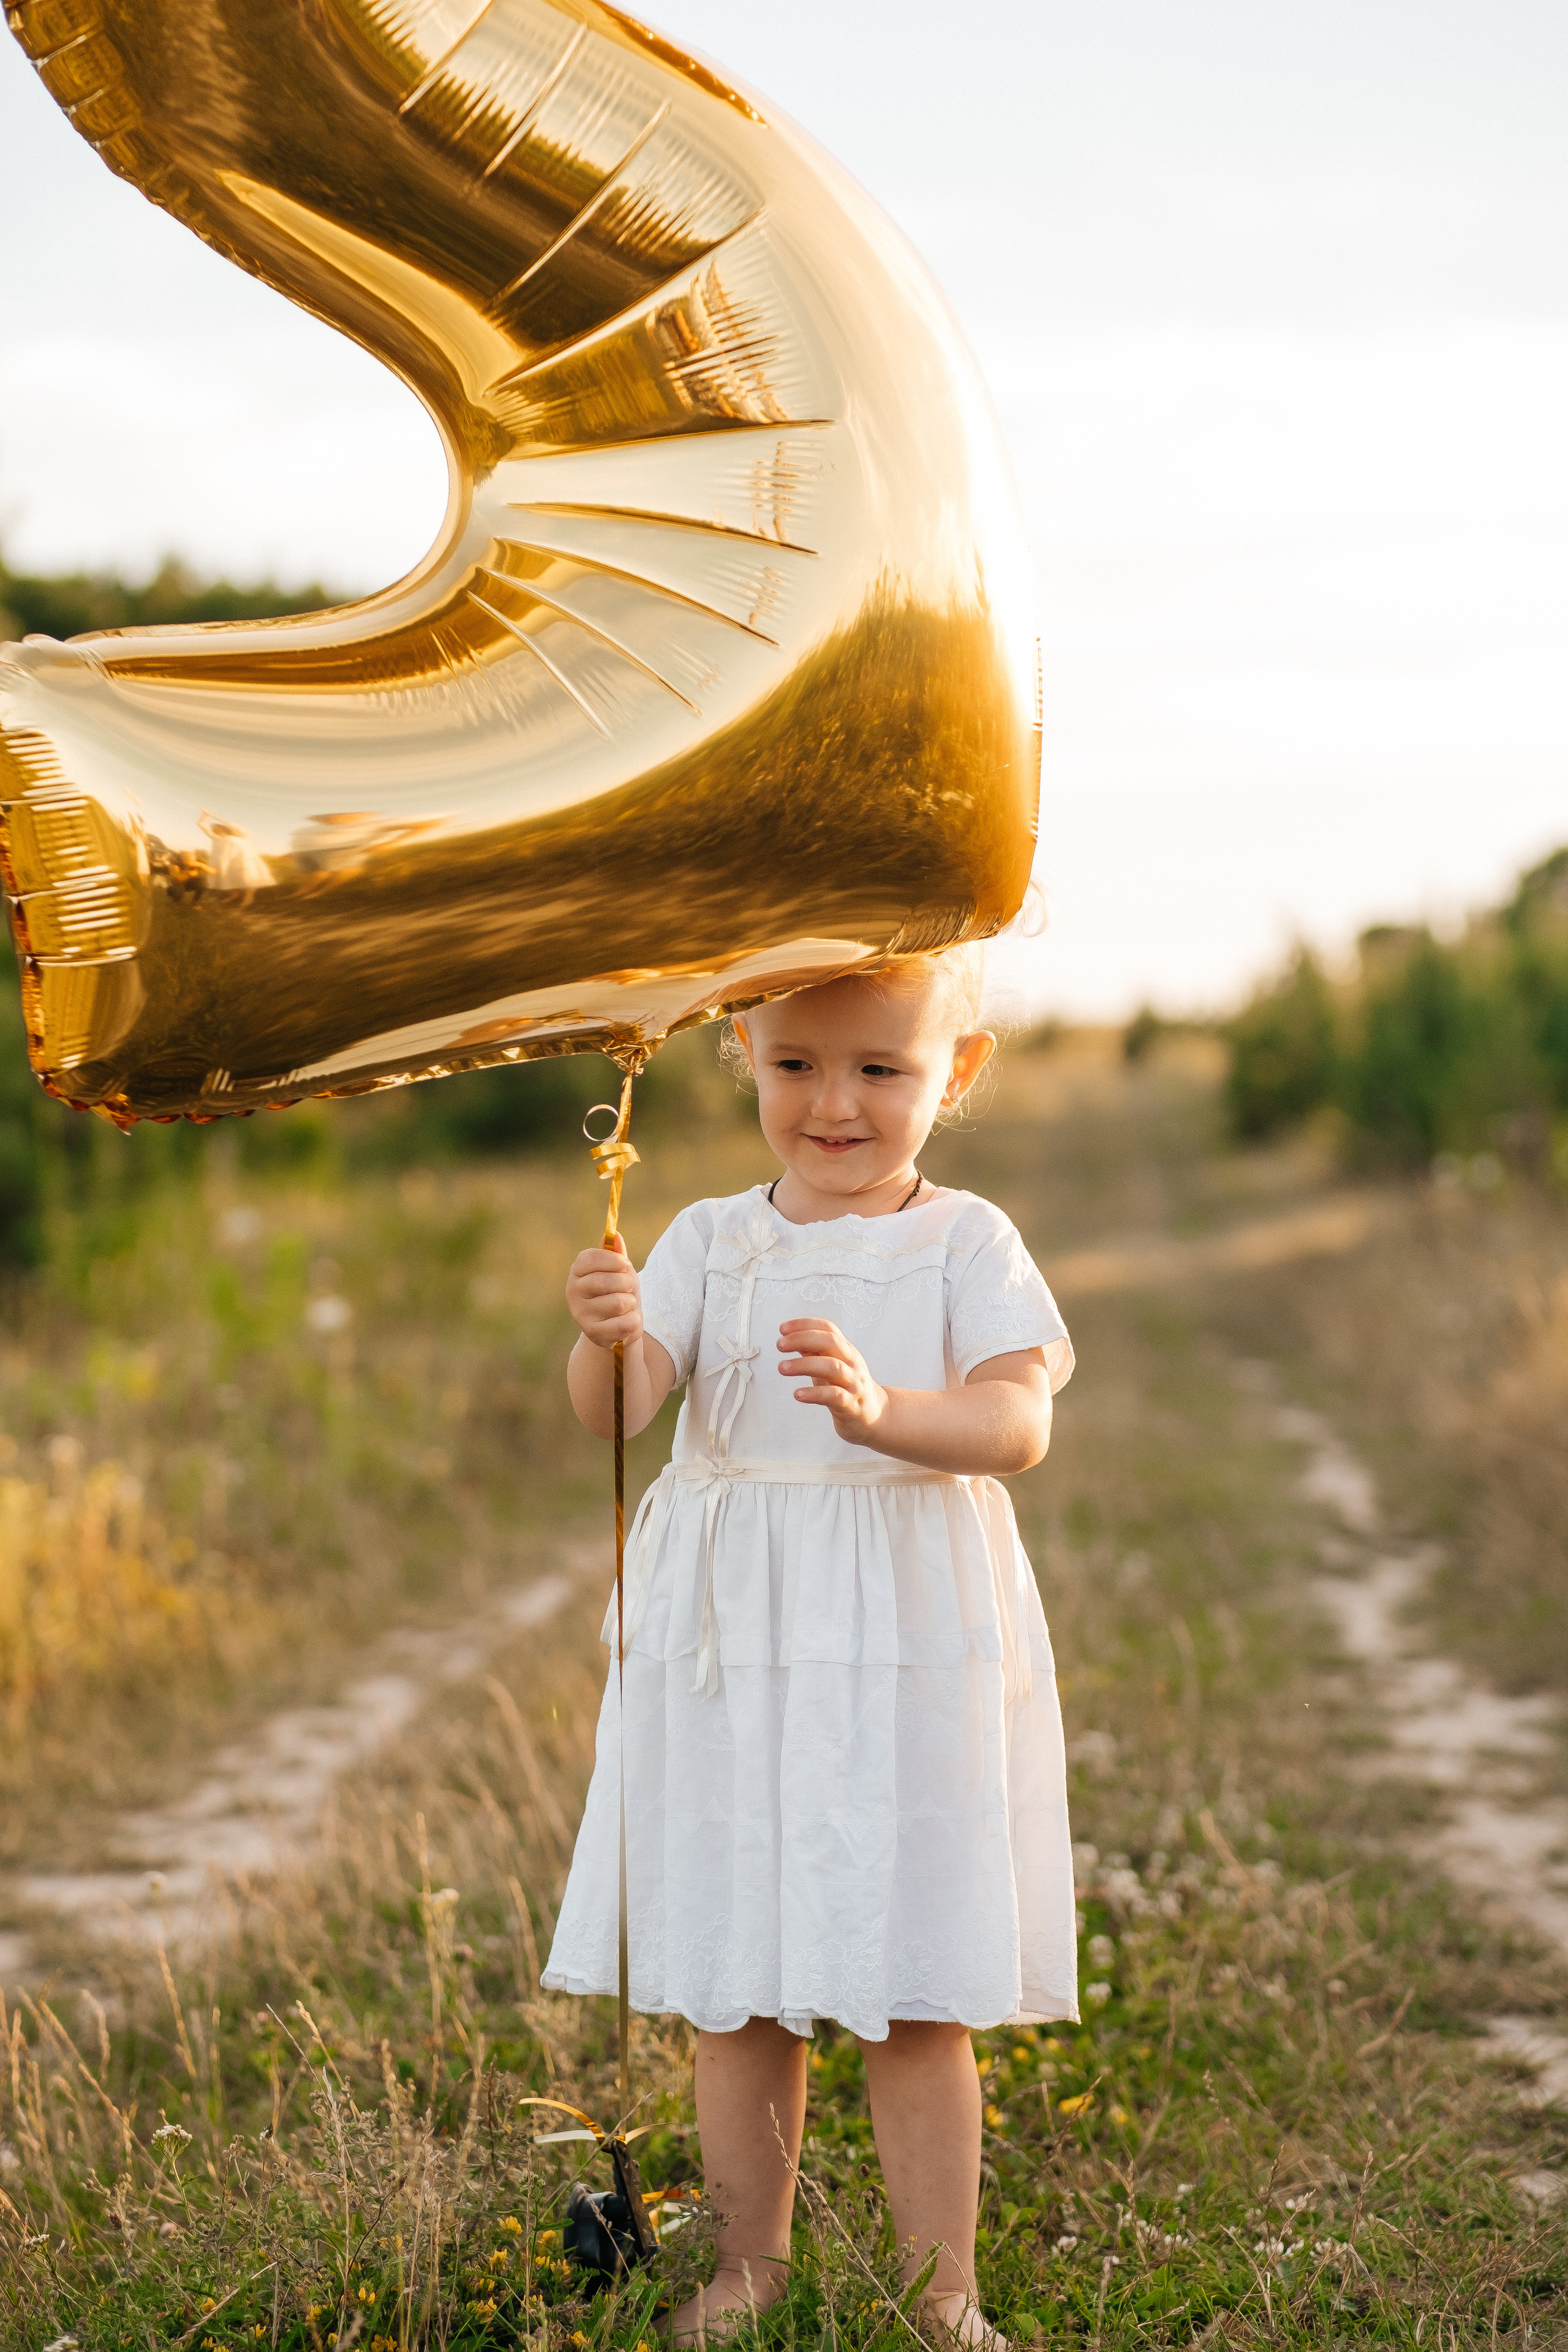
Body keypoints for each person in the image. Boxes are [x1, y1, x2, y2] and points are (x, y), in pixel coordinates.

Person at [544, 948, 1077, 2345]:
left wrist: (882, 1410)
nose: (831, 1104)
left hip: (899, 1636)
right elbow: (623, 1409)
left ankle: (940, 2293)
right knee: (739, 1978)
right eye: (794, 1065)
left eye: (879, 1070)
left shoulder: (964, 1240)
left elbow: (1015, 1424)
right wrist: (603, 1339)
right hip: (738, 1641)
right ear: (744, 1052)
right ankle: (747, 2267)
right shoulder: (712, 1237)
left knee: (913, 1983)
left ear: (952, 1072)